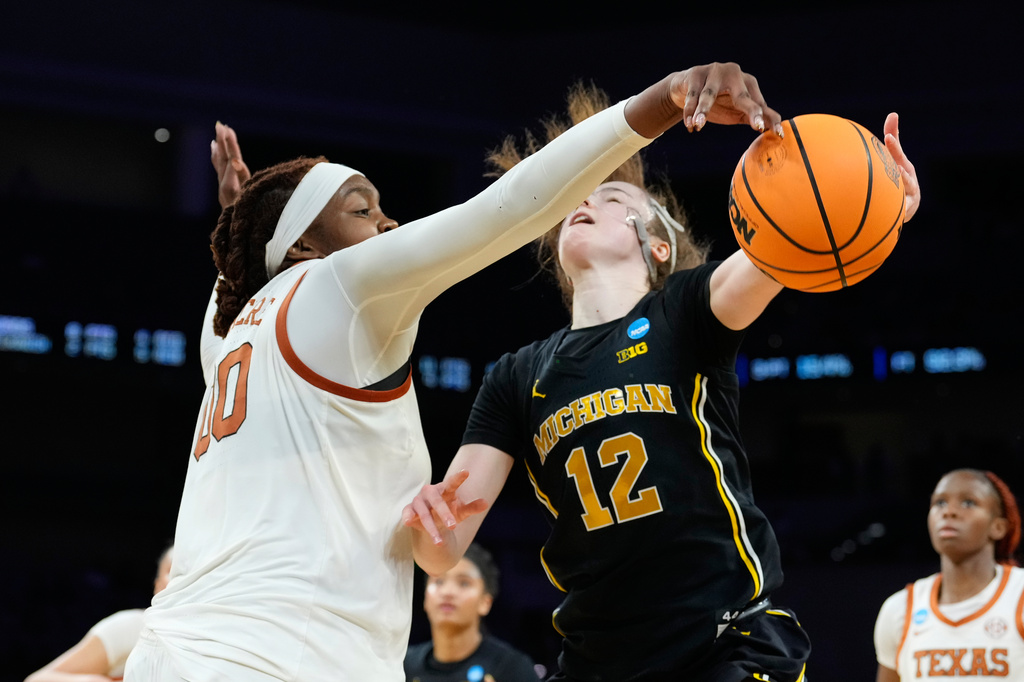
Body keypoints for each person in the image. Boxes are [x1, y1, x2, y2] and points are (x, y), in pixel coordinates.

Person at [124, 62, 784, 682]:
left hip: (177, 647)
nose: (390, 222)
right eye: (362, 209)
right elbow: (503, 211)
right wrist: (663, 97)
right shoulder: (354, 293)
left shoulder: (240, 335)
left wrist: (240, 228)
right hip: (291, 653)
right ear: (302, 244)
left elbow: (226, 304)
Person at [402, 81, 922, 681]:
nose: (587, 199)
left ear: (657, 244)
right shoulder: (517, 375)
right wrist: (428, 519)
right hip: (599, 659)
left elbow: (781, 246)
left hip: (723, 642)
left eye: (613, 194)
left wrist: (874, 204)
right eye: (581, 193)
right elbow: (440, 553)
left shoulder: (685, 311)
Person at [873, 469, 1024, 680]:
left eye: (968, 503)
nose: (949, 512)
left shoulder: (1019, 594)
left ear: (998, 527)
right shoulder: (899, 609)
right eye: (940, 503)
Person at [25, 545, 173, 682]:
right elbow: (38, 680)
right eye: (174, 572)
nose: (184, 581)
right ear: (158, 585)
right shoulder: (135, 626)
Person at [405, 543, 539, 682]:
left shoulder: (512, 668)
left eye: (464, 583)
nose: (447, 592)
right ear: (425, 599)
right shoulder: (404, 665)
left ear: (485, 602)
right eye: (439, 582)